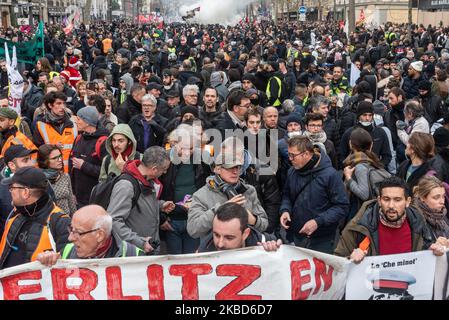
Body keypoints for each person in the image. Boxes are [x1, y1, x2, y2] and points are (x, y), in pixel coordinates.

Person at [334, 176, 445, 262]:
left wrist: (434, 252)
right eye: (386, 199)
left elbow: (425, 251)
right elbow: (337, 261)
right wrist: (350, 259)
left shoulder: (417, 222)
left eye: (397, 200)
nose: (391, 205)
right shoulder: (359, 225)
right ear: (379, 200)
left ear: (407, 202)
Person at [280, 136, 349, 253]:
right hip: (297, 235)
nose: (289, 159)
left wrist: (317, 222)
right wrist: (285, 210)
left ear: (306, 154)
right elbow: (287, 194)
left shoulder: (330, 175)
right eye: (289, 154)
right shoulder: (291, 171)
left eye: (293, 155)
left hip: (322, 239)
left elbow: (342, 207)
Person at [187, 150, 268, 240]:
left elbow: (264, 224)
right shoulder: (201, 195)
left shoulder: (249, 190)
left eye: (238, 167)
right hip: (217, 250)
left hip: (247, 249)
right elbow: (193, 229)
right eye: (230, 167)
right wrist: (220, 210)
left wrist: (253, 220)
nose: (235, 171)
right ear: (217, 169)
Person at [107, 146, 174, 254]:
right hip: (133, 254)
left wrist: (160, 205)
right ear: (154, 169)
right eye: (164, 169)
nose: (165, 172)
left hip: (147, 249)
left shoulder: (148, 180)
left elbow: (140, 205)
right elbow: (114, 220)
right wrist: (139, 242)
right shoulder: (126, 186)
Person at [0, 167, 71, 269]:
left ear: (25, 192)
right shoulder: (15, 217)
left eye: (12, 188)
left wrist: (56, 258)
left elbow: (71, 264)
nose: (10, 191)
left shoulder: (60, 222)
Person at [159, 124, 211, 254]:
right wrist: (161, 218)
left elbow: (208, 186)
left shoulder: (202, 160)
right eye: (183, 148)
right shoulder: (164, 159)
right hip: (171, 220)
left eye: (192, 148)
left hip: (193, 219)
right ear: (173, 143)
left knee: (192, 260)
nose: (187, 152)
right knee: (174, 262)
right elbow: (154, 191)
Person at [37, 205, 144, 266]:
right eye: (71, 229)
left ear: (100, 235)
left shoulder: (135, 256)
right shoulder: (67, 251)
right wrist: (47, 261)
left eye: (78, 232)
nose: (70, 238)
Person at [197, 202, 282, 252]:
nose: (220, 244)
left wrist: (276, 253)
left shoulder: (266, 243)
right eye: (216, 235)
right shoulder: (204, 250)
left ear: (245, 234)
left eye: (229, 238)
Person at [343, 128, 388, 220]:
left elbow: (364, 194)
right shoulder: (371, 160)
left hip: (358, 211)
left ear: (350, 144)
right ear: (371, 145)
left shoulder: (360, 166)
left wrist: (348, 177)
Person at [70, 106, 109, 207]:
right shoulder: (78, 138)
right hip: (78, 197)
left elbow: (107, 172)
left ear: (87, 122)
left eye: (78, 119)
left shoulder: (103, 142)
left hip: (95, 199)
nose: (76, 122)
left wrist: (84, 166)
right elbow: (72, 167)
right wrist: (72, 192)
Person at [33, 91, 77, 173]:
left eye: (64, 103)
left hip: (72, 173)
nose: (63, 107)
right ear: (50, 105)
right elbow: (38, 151)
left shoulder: (74, 122)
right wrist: (52, 147)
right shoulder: (40, 124)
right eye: (59, 103)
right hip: (51, 174)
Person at [339, 101, 392, 169]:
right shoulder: (349, 133)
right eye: (364, 115)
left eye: (370, 115)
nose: (367, 118)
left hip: (375, 173)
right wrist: (349, 168)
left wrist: (378, 167)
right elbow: (341, 155)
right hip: (353, 171)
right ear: (358, 116)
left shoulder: (380, 132)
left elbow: (387, 155)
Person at [0, 145, 37, 236]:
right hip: (11, 245)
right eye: (25, 160)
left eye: (30, 159)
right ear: (12, 165)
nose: (31, 164)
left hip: (40, 243)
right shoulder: (2, 188)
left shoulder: (41, 181)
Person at [38, 144, 77, 216]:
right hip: (50, 223)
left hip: (66, 221)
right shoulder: (38, 180)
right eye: (54, 158)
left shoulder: (65, 176)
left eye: (60, 156)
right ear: (44, 161)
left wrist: (75, 220)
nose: (60, 160)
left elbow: (71, 203)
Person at [412, 176, 449, 242]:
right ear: (422, 197)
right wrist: (433, 244)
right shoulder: (415, 217)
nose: (442, 202)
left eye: (443, 196)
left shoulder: (441, 214)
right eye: (436, 197)